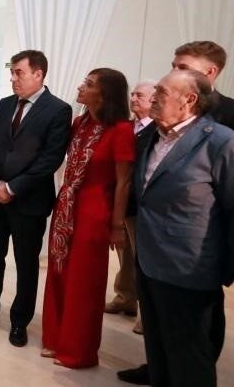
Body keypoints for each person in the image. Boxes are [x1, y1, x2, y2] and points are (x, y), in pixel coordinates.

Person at [118, 40, 234, 386]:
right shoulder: (153, 136)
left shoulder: (221, 141)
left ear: (189, 100)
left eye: (161, 93)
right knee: (158, 349)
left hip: (191, 267)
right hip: (150, 262)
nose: (151, 98)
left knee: (190, 358)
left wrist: (225, 267)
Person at [0, 50, 72, 348]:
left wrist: (12, 188)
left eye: (19, 73)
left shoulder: (58, 109)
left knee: (26, 265)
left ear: (38, 74)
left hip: (29, 200)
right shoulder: (5, 104)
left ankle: (19, 321)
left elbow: (50, 158)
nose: (13, 78)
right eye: (11, 72)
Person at [41, 68, 134, 368]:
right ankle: (55, 338)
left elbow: (124, 182)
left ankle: (77, 351)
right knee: (58, 271)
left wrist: (117, 225)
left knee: (84, 282)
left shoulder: (121, 130)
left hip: (94, 211)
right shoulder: (80, 123)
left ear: (105, 95)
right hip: (67, 205)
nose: (81, 87)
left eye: (89, 84)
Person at [105, 80, 155, 335]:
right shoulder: (127, 126)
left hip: (138, 204)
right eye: (132, 94)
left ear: (154, 99)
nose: (133, 98)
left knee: (141, 259)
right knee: (123, 255)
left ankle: (147, 314)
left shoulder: (156, 130)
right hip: (120, 202)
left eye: (140, 95)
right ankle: (125, 298)